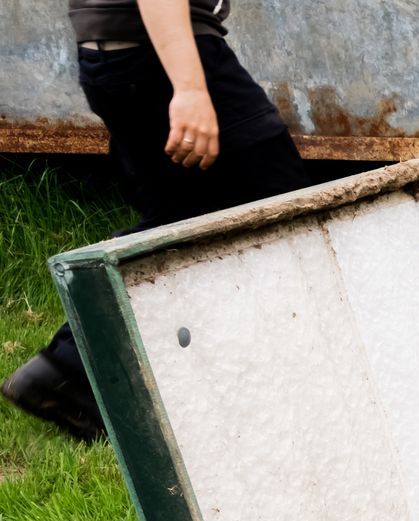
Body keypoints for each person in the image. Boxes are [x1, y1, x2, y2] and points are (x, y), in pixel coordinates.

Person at [2, 0, 308, 440]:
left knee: (187, 215)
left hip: (123, 57)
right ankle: (70, 365)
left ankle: (71, 370)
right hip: (162, 56)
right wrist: (190, 89)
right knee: (275, 207)